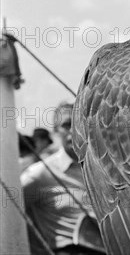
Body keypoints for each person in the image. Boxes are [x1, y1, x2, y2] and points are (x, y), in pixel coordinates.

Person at [21, 102, 105, 255]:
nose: (74, 130)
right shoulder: (40, 173)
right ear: (55, 132)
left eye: (78, 123)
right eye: (66, 125)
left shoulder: (101, 168)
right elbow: (8, 210)